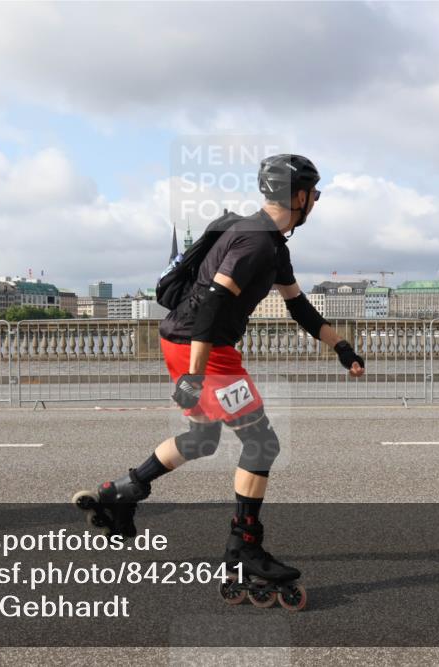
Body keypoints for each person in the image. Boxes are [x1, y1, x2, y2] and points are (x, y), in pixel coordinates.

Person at [76, 155, 364, 588]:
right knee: (261, 443)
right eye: (316, 195)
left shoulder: (265, 241)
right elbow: (212, 301)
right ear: (300, 196)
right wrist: (194, 376)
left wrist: (339, 346)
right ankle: (243, 548)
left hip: (183, 340)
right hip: (205, 350)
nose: (316, 202)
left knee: (203, 438)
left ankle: (122, 492)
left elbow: (298, 306)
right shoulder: (256, 245)